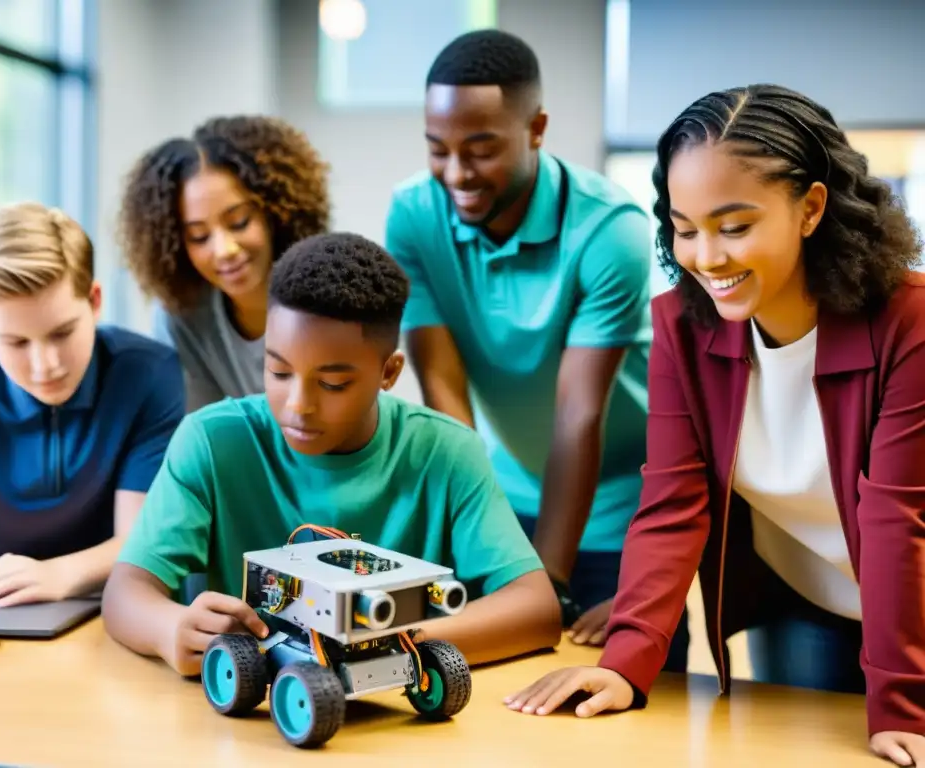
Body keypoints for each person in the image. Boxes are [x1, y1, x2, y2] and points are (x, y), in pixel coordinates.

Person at [504, 83, 925, 766]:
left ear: (811, 207)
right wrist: (625, 663)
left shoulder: (909, 323)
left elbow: (896, 520)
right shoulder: (680, 325)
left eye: (734, 226)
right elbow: (673, 502)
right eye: (684, 227)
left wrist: (903, 701)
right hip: (805, 595)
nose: (707, 258)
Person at [101, 231, 562, 676]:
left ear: (389, 372)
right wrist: (168, 628)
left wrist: (381, 646)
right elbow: (126, 591)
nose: (298, 405)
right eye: (278, 371)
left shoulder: (447, 451)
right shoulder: (210, 440)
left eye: (333, 383)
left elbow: (535, 607)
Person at [383, 29, 688, 668]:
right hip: (506, 495)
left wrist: (543, 586)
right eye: (438, 150)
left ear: (537, 128)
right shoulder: (414, 213)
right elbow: (444, 390)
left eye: (482, 149)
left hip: (621, 515)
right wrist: (478, 530)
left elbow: (580, 414)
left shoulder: (610, 229)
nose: (456, 174)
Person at [0, 202, 185, 606]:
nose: (46, 365)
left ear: (95, 300)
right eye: (16, 342)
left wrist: (61, 574)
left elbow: (138, 539)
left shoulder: (150, 374)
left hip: (111, 606)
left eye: (63, 333)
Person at [118, 115, 330, 412]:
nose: (224, 250)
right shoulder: (182, 316)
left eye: (239, 222)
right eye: (199, 236)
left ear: (275, 214)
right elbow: (204, 432)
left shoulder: (329, 299)